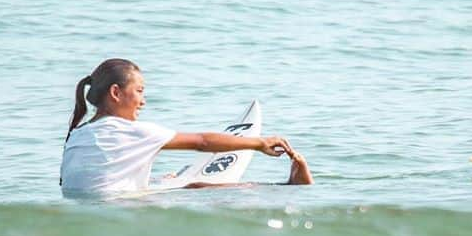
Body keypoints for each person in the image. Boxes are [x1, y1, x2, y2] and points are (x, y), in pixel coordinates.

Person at [60, 58, 312, 195]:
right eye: (139, 91)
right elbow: (201, 142)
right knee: (196, 188)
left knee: (174, 184)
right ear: (115, 92)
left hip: (90, 214)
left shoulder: (77, 135)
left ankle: (159, 182)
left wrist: (156, 180)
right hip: (121, 215)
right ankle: (288, 190)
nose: (143, 100)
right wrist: (259, 143)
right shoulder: (131, 131)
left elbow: (99, 177)